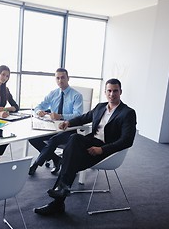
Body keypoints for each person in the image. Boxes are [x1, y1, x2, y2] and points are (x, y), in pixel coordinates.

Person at [33, 78, 137, 216]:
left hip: (107, 149)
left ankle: (58, 201)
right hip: (92, 142)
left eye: (115, 91)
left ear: (121, 92)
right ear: (105, 92)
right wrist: (68, 123)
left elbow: (127, 141)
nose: (112, 94)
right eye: (109, 91)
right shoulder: (101, 107)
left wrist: (102, 149)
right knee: (74, 138)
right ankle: (61, 193)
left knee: (70, 160)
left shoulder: (127, 112)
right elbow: (83, 118)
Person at [28, 68, 83, 175]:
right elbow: (39, 106)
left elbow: (78, 115)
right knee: (33, 139)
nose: (60, 80)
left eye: (63, 77)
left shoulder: (76, 96)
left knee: (53, 140)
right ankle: (56, 159)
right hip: (52, 128)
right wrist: (39, 111)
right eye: (57, 78)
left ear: (68, 78)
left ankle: (36, 164)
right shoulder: (53, 93)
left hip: (68, 130)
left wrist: (61, 116)